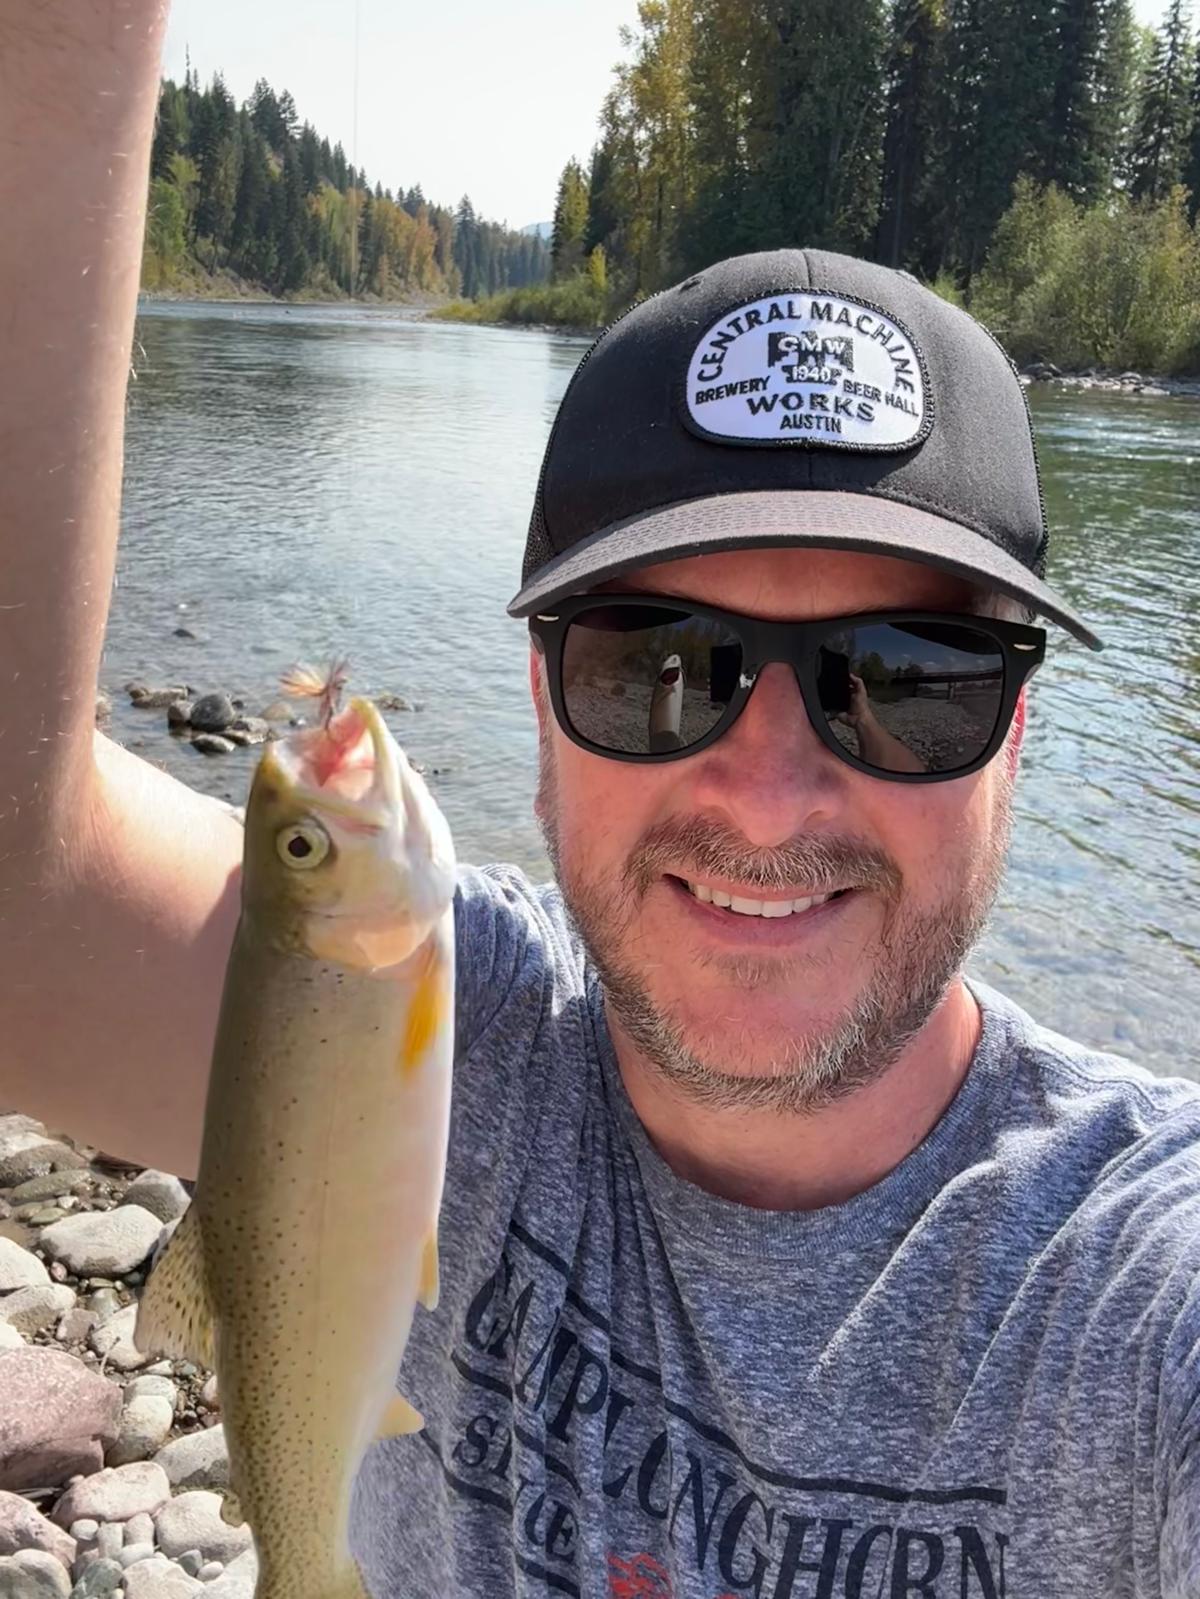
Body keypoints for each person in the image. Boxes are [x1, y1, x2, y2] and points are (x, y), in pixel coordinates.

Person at [1, 6, 1198, 1598]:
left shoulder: (1135, 1295)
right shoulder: (447, 1031)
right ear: (544, 709)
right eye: (660, 667)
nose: (772, 794)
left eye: (908, 678)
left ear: (1019, 728)